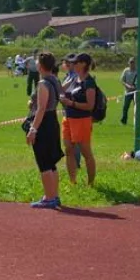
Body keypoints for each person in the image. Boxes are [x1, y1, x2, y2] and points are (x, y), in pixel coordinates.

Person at [26, 53, 64, 209]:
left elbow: (41, 108)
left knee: (44, 162)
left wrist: (33, 129)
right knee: (51, 162)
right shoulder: (55, 80)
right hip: (52, 121)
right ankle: (53, 195)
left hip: (44, 122)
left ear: (41, 66)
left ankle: (49, 198)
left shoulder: (43, 83)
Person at [59, 52, 97, 187]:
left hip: (81, 120)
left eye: (75, 63)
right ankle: (72, 181)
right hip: (68, 118)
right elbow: (60, 90)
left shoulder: (89, 82)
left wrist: (71, 103)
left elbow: (90, 106)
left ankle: (91, 183)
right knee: (68, 149)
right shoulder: (74, 79)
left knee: (86, 152)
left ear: (84, 64)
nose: (72, 65)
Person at [120, 58, 137, 125]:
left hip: (136, 92)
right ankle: (124, 121)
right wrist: (128, 86)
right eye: (130, 62)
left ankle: (136, 122)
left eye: (133, 62)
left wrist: (135, 87)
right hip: (128, 92)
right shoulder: (126, 70)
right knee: (125, 107)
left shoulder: (138, 71)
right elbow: (122, 80)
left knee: (136, 108)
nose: (132, 64)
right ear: (129, 63)